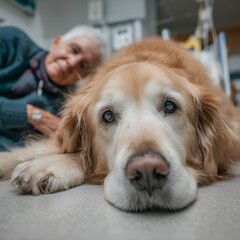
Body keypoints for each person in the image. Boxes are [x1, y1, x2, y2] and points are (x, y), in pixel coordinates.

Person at [0, 25, 106, 151]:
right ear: (56, 43)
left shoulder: (68, 107)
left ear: (84, 77)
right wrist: (33, 115)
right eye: (74, 50)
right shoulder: (12, 41)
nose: (72, 63)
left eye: (83, 65)